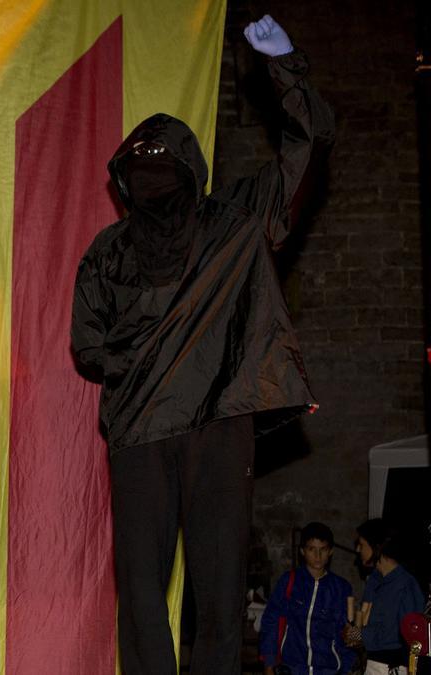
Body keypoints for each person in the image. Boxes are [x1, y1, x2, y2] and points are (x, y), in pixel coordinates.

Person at [69, 15, 333, 675]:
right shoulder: (209, 227)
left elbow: (89, 347)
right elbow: (306, 149)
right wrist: (285, 66)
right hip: (181, 425)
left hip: (181, 426)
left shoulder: (219, 227)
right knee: (189, 593)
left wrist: (286, 67)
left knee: (170, 593)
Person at [259, 522, 355, 674]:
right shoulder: (289, 581)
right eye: (312, 549)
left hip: (328, 670)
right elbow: (271, 621)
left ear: (330, 551)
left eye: (323, 549)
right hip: (291, 669)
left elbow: (349, 633)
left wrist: (348, 669)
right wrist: (269, 663)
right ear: (302, 551)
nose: (318, 556)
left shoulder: (342, 588)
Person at [348, 519, 425, 675]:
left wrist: (358, 634)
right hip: (369, 663)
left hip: (392, 667)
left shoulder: (406, 586)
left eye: (362, 545)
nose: (357, 549)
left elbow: (401, 635)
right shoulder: (375, 580)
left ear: (377, 548)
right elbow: (366, 623)